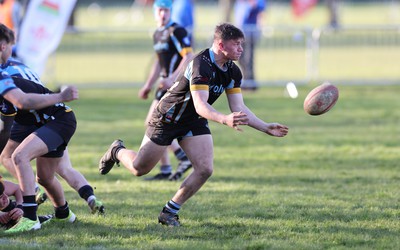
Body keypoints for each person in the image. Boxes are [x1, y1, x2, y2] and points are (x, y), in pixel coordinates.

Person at [98, 23, 289, 226]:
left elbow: (238, 107)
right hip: (167, 119)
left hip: (193, 121)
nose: (241, 48)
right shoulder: (201, 64)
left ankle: (169, 212)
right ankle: (117, 150)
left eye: (242, 44)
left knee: (205, 168)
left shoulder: (233, 71)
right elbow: (200, 105)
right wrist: (224, 119)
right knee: (139, 168)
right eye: (237, 44)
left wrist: (265, 127)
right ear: (221, 44)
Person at [0, 23, 105, 215]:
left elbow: (23, 101)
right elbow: (7, 121)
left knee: (16, 156)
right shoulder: (14, 68)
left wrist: (59, 96)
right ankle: (67, 211)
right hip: (38, 118)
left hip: (46, 117)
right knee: (49, 175)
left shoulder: (6, 74)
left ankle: (30, 212)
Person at [137, 0, 193, 181]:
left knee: (152, 124)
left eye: (166, 11)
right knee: (154, 125)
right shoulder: (157, 33)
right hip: (163, 86)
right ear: (154, 12)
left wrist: (172, 78)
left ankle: (181, 158)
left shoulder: (176, 31)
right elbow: (158, 63)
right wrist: (148, 85)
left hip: (175, 86)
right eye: (160, 10)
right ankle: (167, 168)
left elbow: (189, 56)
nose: (163, 14)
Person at [234, 0, 266, 90]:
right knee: (240, 58)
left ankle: (251, 83)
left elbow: (260, 10)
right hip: (240, 33)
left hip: (250, 33)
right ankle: (247, 80)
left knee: (248, 59)